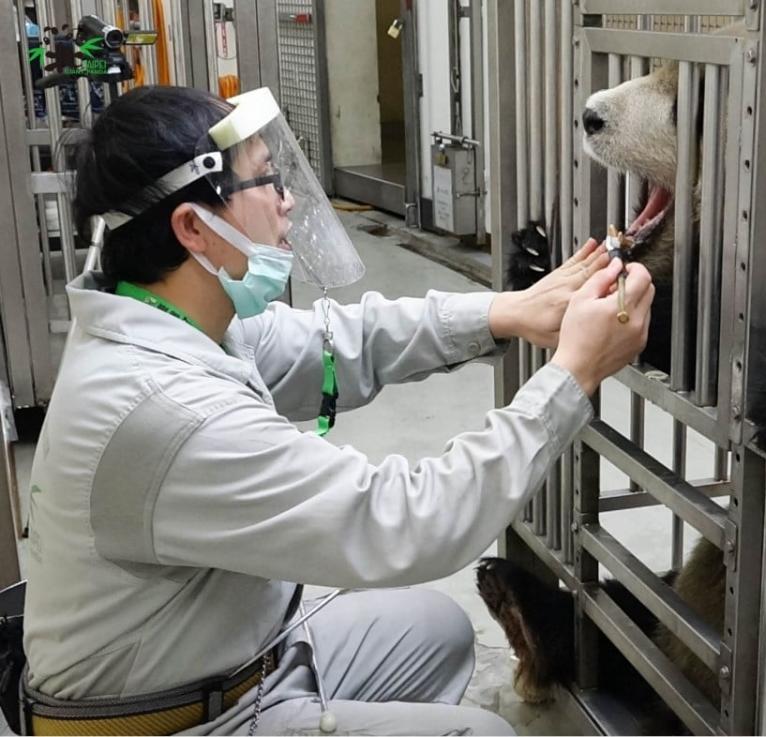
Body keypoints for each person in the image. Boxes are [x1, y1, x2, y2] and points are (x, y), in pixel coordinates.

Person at [20, 85, 654, 736]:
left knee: (434, 631)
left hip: (224, 660)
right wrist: (573, 374)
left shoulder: (169, 320)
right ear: (192, 228)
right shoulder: (167, 412)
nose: (287, 198)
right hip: (163, 718)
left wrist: (508, 311)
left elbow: (334, 341)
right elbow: (408, 520)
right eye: (265, 178)